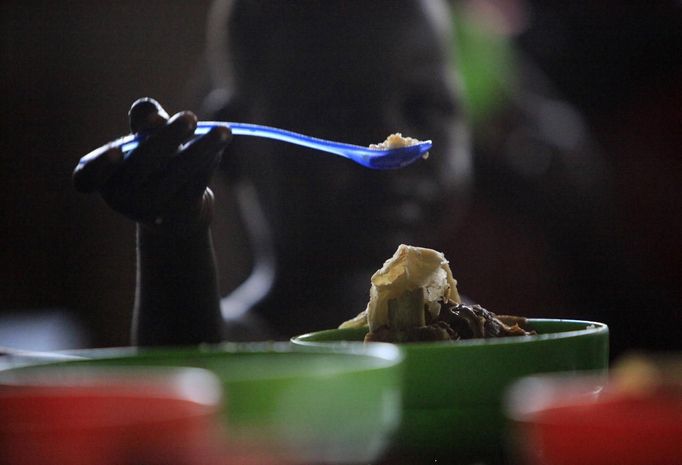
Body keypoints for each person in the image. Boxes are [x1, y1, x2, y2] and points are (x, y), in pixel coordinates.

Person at [73, 0, 472, 345]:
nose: (387, 145)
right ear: (231, 145)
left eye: (425, 106)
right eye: (337, 113)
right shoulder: (231, 344)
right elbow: (186, 375)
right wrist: (174, 238)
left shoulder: (480, 336)